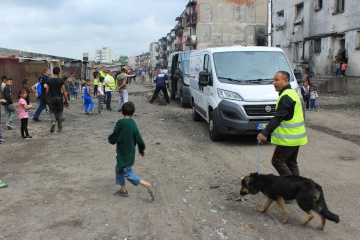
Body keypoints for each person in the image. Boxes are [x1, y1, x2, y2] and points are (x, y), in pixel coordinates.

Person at [257, 71, 307, 177]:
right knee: (291, 163)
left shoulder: (286, 97)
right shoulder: (292, 93)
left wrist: (264, 133)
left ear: (286, 81)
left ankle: (290, 187)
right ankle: (298, 188)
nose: (274, 83)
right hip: (296, 136)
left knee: (277, 161)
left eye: (277, 80)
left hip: (289, 138)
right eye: (273, 80)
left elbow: (278, 118)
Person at [108, 101, 155, 201]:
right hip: (129, 153)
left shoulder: (120, 123)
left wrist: (110, 139)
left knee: (127, 173)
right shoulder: (133, 123)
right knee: (119, 169)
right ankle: (123, 190)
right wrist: (141, 149)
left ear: (122, 112)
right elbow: (139, 140)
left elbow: (114, 137)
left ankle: (148, 185)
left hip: (123, 153)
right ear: (133, 113)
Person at [46, 67, 69, 133]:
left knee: (52, 112)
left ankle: (53, 122)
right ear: (58, 72)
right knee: (60, 113)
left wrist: (47, 97)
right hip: (59, 98)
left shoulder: (49, 80)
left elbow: (47, 90)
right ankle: (60, 128)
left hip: (52, 98)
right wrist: (67, 100)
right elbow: (64, 91)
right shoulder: (61, 80)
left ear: (53, 72)